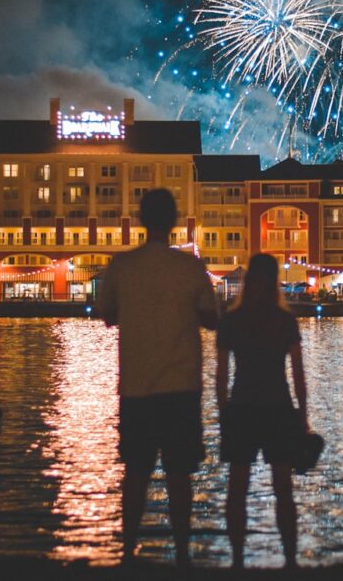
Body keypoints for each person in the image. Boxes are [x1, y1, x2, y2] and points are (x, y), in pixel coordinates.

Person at [97, 189, 218, 567]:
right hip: (181, 386)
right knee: (180, 474)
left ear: (140, 220)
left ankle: (128, 552)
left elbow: (107, 315)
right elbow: (212, 318)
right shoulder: (191, 268)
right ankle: (182, 554)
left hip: (136, 387)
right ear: (175, 222)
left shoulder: (121, 267)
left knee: (136, 471)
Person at [216, 253, 309, 569]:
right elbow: (297, 373)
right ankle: (290, 560)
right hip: (278, 406)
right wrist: (303, 416)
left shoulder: (232, 320)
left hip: (241, 405)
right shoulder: (285, 321)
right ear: (275, 282)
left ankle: (238, 560)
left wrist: (223, 412)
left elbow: (220, 374)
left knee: (237, 487)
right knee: (283, 488)